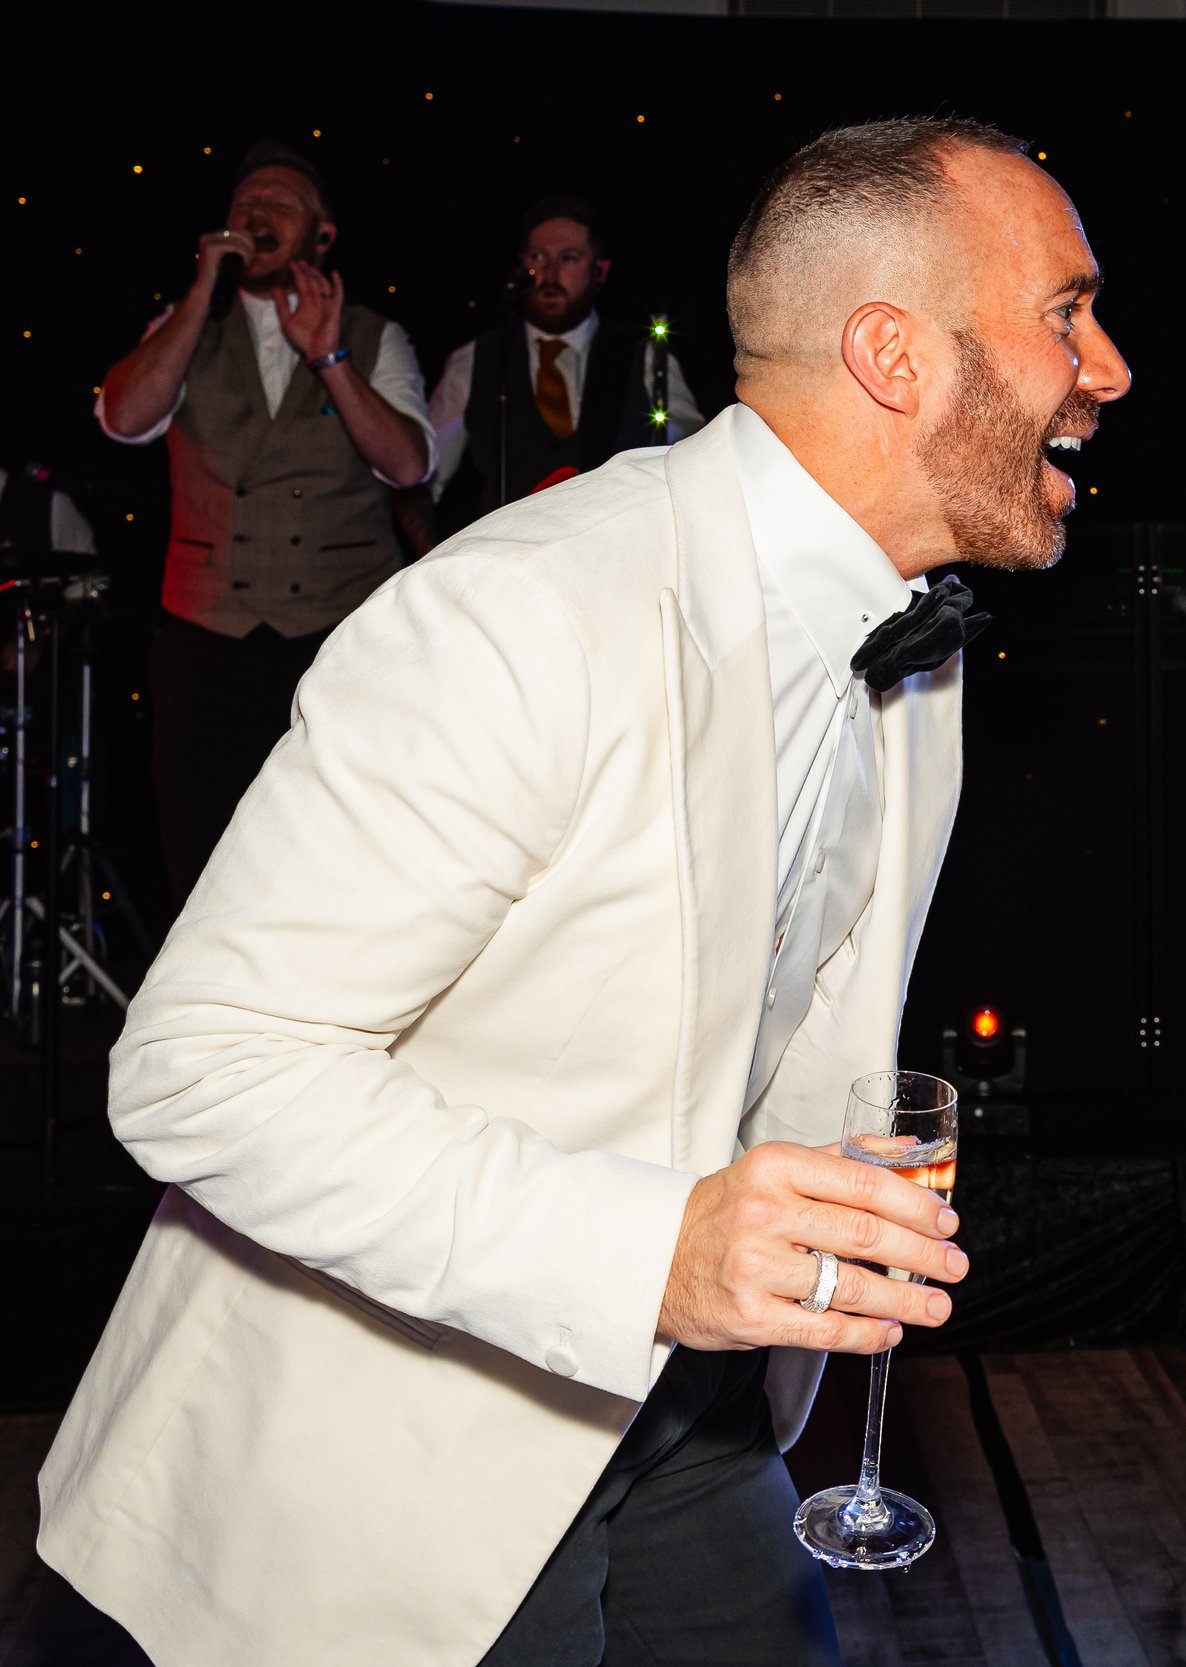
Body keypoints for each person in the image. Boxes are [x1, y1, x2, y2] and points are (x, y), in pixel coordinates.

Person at [39, 117, 1128, 1667]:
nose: (1110, 367)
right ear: (894, 353)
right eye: (1067, 310)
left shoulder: (917, 641)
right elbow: (197, 1070)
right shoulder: (523, 613)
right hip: (400, 1424)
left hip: (687, 1407)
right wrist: (650, 1251)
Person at [94, 140, 437, 910]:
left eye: (280, 202)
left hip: (336, 641)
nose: (256, 212)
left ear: (321, 236)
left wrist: (330, 358)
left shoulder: (376, 335)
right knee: (203, 866)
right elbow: (122, 418)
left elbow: (410, 464)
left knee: (336, 865)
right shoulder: (183, 326)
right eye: (246, 201)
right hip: (205, 640)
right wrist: (198, 292)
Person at [429, 194, 705, 535]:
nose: (549, 273)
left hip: (618, 555)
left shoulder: (646, 357)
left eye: (568, 258)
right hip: (508, 565)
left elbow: (695, 459)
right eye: (537, 257)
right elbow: (425, 470)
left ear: (599, 271)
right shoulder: (476, 359)